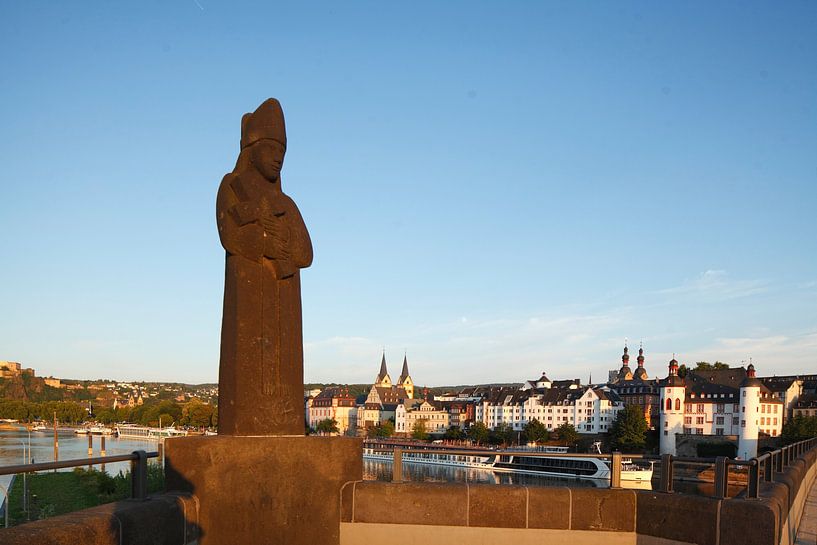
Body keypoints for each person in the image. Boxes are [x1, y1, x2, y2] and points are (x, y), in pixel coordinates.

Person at [216, 98, 313, 436]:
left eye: (283, 152)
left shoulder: (286, 204)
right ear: (252, 149)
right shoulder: (232, 187)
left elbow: (306, 254)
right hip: (250, 296)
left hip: (284, 302)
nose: (278, 158)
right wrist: (265, 243)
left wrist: (285, 245)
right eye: (272, 148)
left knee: (281, 369)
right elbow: (230, 235)